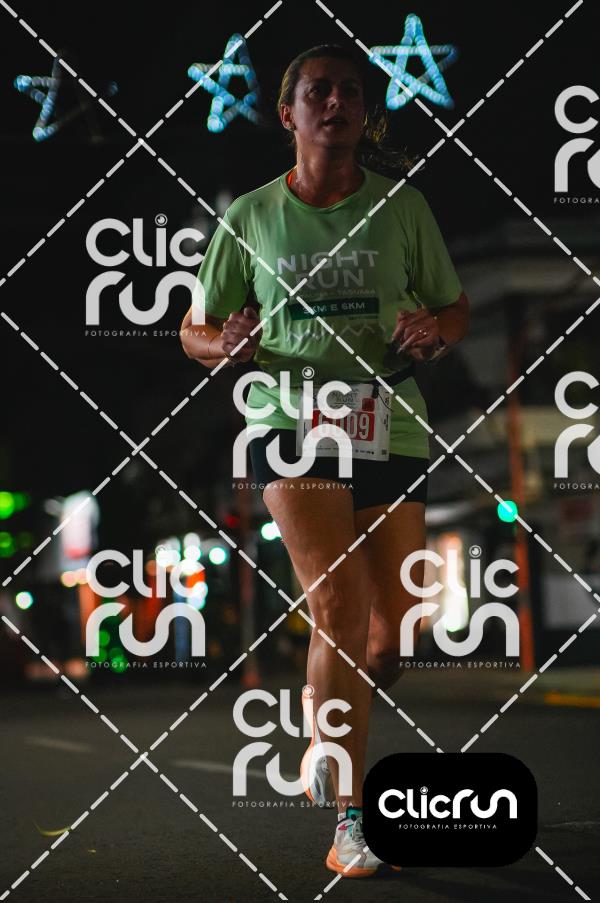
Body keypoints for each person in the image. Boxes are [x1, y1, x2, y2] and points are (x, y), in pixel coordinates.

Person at [181, 44, 469, 877]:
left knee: (390, 640)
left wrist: (433, 332)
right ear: (289, 114)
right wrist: (224, 343)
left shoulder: (403, 207)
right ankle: (350, 821)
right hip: (291, 421)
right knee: (336, 607)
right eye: (318, 92)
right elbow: (193, 329)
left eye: (349, 90)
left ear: (363, 110)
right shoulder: (251, 216)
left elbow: (453, 307)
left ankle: (326, 704)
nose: (335, 102)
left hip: (390, 421)